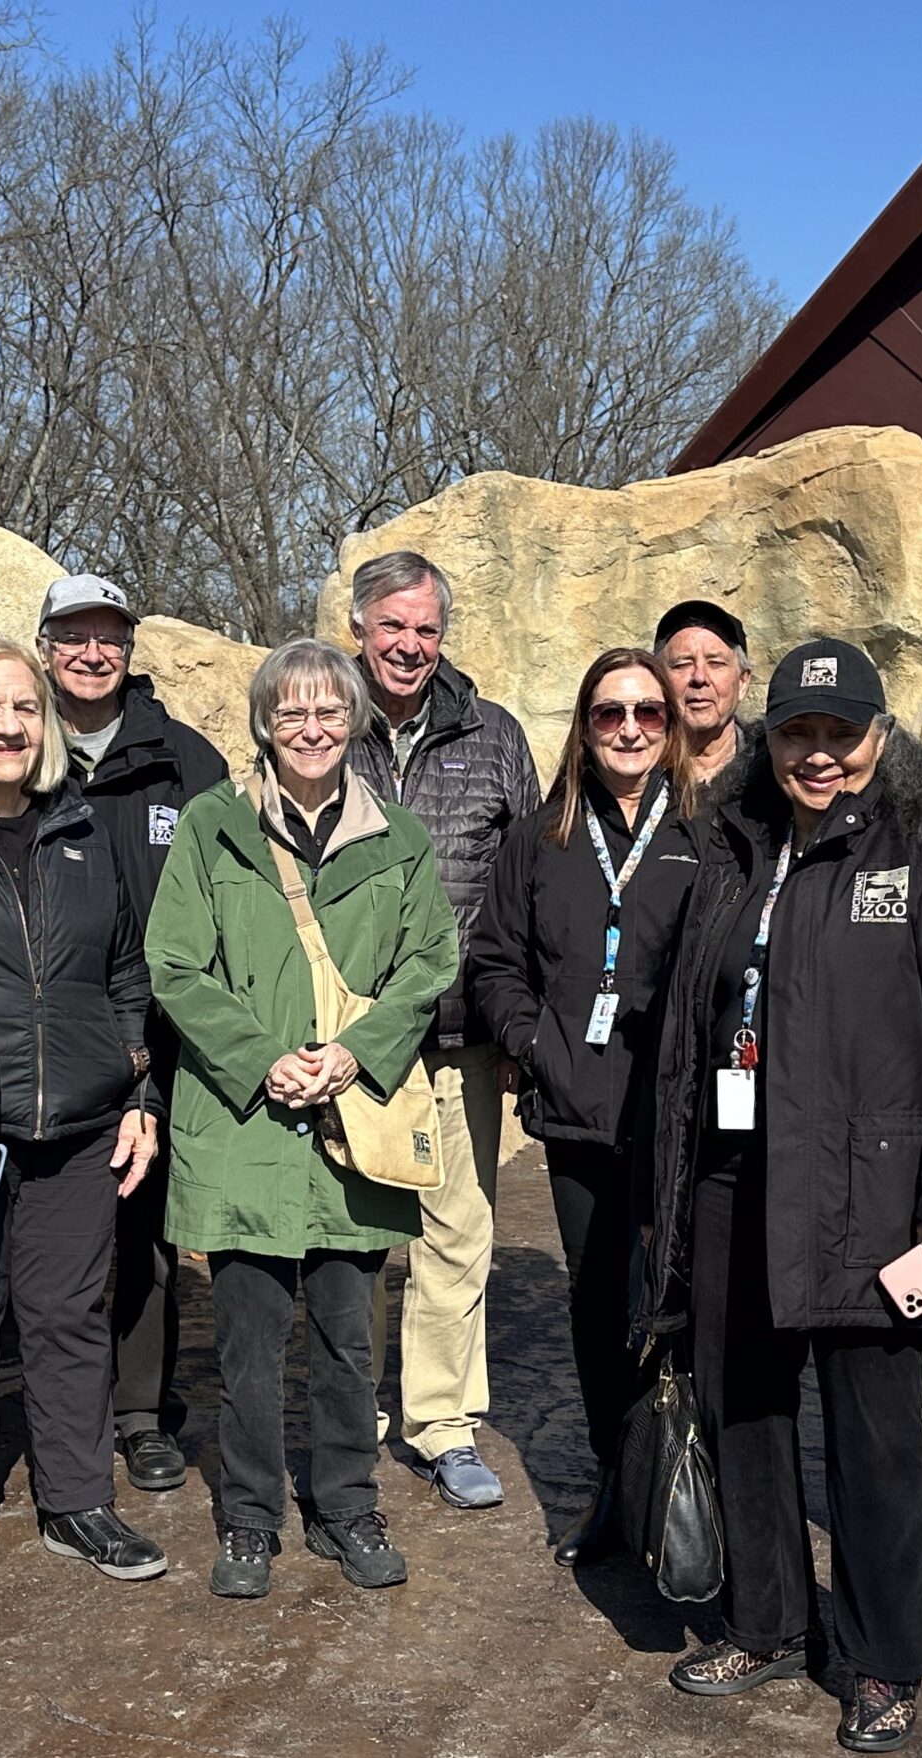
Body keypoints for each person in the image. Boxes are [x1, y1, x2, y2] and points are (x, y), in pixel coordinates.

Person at [645, 640, 922, 1755]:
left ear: (878, 738)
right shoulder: (730, 844)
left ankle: (878, 1659)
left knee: (873, 1442)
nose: (817, 755)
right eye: (797, 733)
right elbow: (686, 1024)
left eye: (840, 734)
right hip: (735, 1177)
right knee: (744, 1411)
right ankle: (762, 1621)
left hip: (871, 1192)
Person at [146, 639, 459, 1600]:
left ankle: (346, 1506)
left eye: (330, 712)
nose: (313, 730)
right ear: (264, 727)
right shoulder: (210, 828)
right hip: (243, 1125)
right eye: (293, 714)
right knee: (242, 1345)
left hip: (349, 1126)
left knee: (344, 1338)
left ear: (355, 723)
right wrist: (260, 1058)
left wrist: (355, 1053)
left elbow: (430, 962)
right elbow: (175, 965)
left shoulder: (398, 837)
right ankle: (249, 1518)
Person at [0, 634, 167, 1584]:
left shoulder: (81, 828)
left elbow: (126, 969)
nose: (9, 724)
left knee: (68, 1317)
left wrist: (139, 1088)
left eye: (23, 707)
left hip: (81, 1122)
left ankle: (78, 1501)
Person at [471, 648, 700, 1566]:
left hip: (680, 1115)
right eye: (611, 714)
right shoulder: (544, 833)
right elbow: (494, 957)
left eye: (649, 712)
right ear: (585, 724)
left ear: (671, 725)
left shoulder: (708, 831)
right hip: (577, 1109)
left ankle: (688, 1484)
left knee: (681, 1297)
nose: (632, 728)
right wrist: (532, 1045)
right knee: (599, 1300)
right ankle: (619, 1480)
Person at [344, 550, 540, 1510]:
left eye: (426, 629)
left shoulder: (493, 736)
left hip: (462, 1033)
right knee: (348, 1231)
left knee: (456, 1233)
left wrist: (517, 1025)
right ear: (359, 629)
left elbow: (530, 886)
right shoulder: (318, 723)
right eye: (394, 627)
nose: (411, 646)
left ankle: (441, 1422)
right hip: (346, 1035)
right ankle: (348, 1415)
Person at [36, 572, 229, 1494]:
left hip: (158, 1033)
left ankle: (145, 1411)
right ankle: (52, 1411)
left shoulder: (183, 762)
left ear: (129, 647)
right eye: (71, 633)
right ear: (45, 645)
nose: (90, 651)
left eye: (107, 635)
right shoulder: (15, 745)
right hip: (43, 1035)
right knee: (51, 1234)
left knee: (146, 1229)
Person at [656, 600, 756, 797]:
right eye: (682, 664)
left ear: (743, 682)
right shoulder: (638, 774)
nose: (699, 678)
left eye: (716, 663)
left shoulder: (771, 772)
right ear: (658, 680)